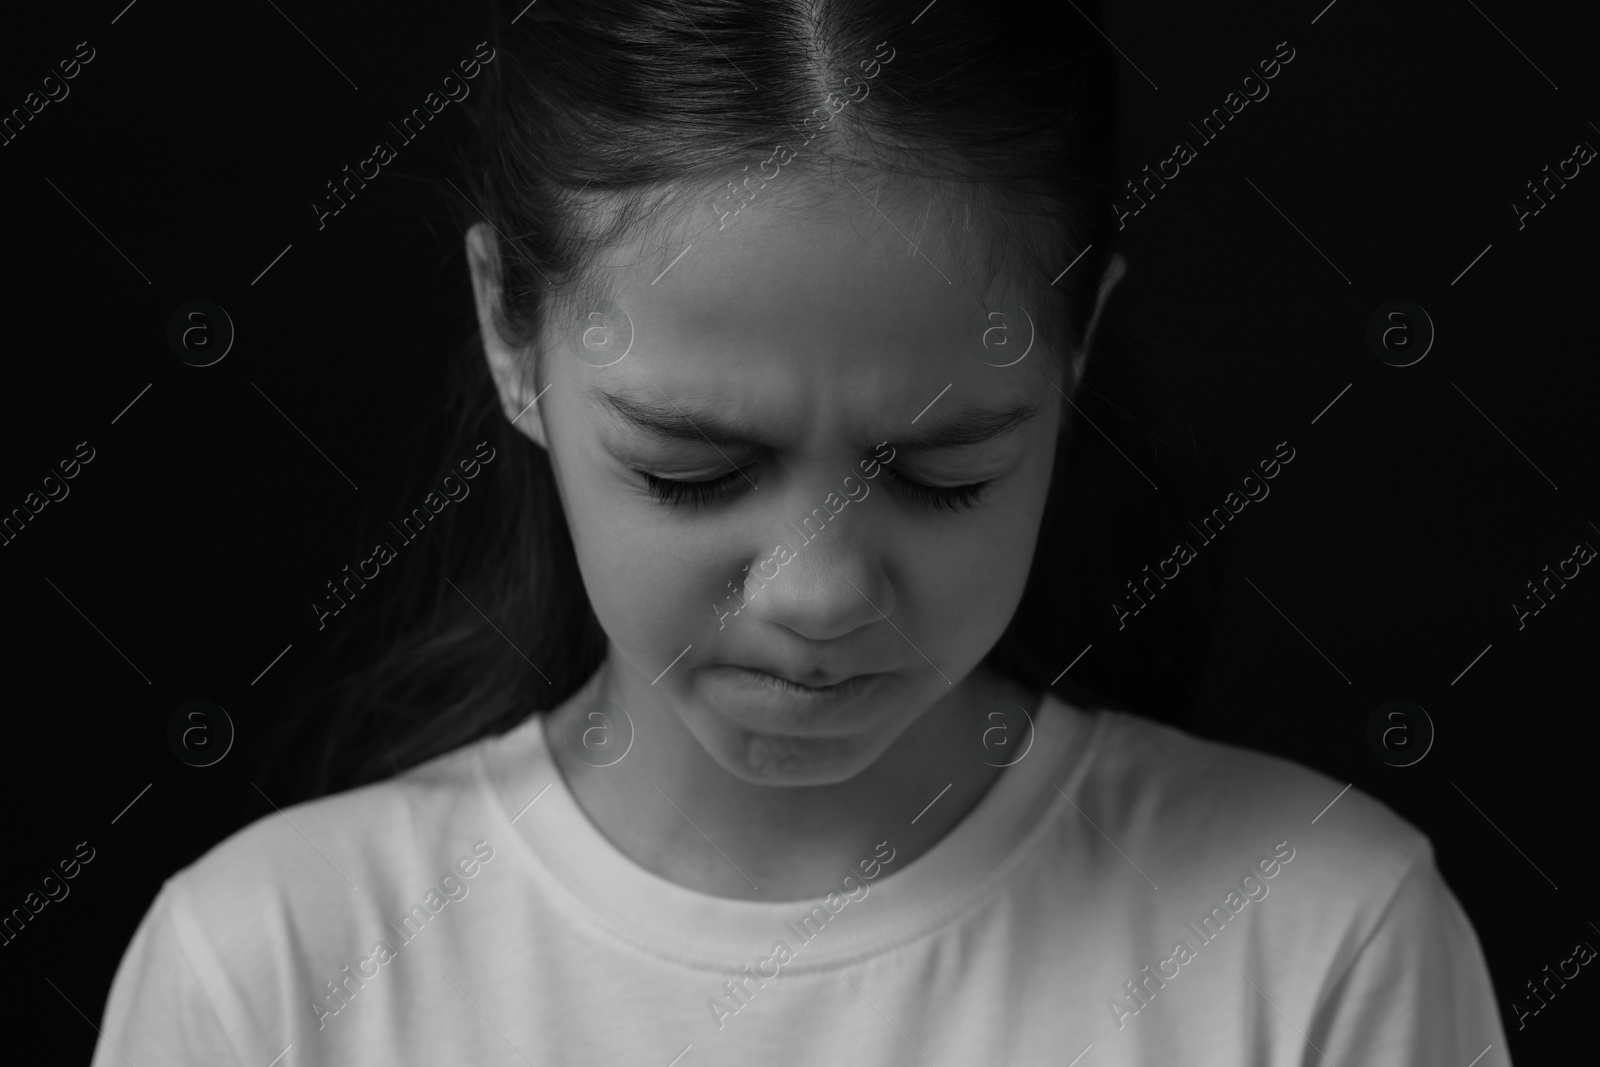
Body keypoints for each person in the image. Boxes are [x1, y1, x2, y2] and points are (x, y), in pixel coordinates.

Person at [93, 1, 1510, 1063]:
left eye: (944, 471)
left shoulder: (1323, 940)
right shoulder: (270, 974)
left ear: (1076, 353)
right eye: (694, 469)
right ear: (510, 337)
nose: (822, 591)